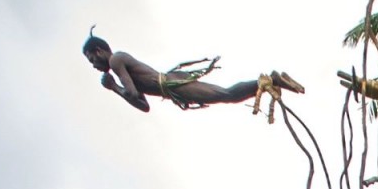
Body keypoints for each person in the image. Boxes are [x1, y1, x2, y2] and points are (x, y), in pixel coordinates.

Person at [82, 30, 303, 112]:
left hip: (171, 83)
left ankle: (268, 80)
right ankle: (269, 81)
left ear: (99, 51)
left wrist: (114, 87)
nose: (93, 64)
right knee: (227, 96)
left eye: (92, 58)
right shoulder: (119, 64)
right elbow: (143, 105)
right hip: (172, 88)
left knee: (227, 95)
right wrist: (117, 89)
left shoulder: (116, 60)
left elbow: (130, 93)